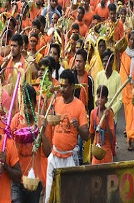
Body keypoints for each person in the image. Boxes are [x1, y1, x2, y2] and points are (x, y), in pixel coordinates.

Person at [45, 69, 89, 203]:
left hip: (70, 157)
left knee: (69, 196)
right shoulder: (57, 101)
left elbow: (86, 135)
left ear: (72, 86)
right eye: (61, 86)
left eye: (65, 86)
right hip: (54, 154)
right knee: (48, 195)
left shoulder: (79, 106)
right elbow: (47, 119)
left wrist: (78, 128)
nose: (62, 89)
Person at [90, 85, 115, 164]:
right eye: (98, 97)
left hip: (106, 151)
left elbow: (111, 137)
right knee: (95, 174)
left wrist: (106, 120)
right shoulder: (93, 113)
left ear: (106, 100)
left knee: (107, 174)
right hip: (96, 150)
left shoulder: (109, 113)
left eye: (102, 98)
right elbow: (91, 133)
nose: (99, 100)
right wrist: (91, 150)